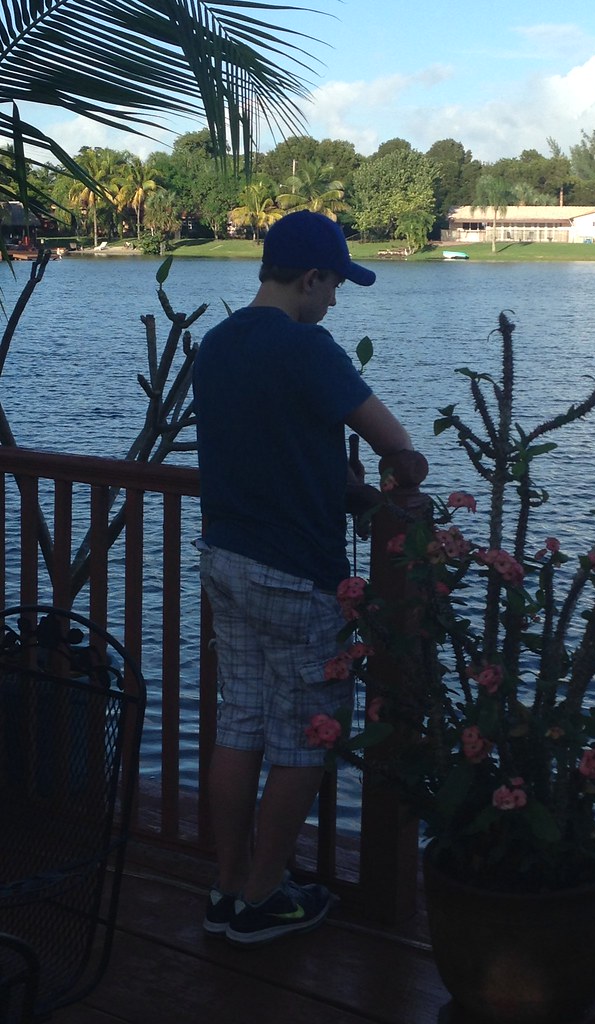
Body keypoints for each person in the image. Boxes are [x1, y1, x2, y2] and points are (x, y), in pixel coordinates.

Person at [193, 210, 412, 946]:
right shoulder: (308, 348)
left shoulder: (216, 346)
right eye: (335, 285)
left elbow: (266, 444)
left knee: (242, 723)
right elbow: (396, 444)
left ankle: (227, 889)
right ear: (310, 277)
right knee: (305, 740)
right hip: (296, 572)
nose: (336, 302)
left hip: (225, 558)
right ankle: (263, 899)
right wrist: (387, 486)